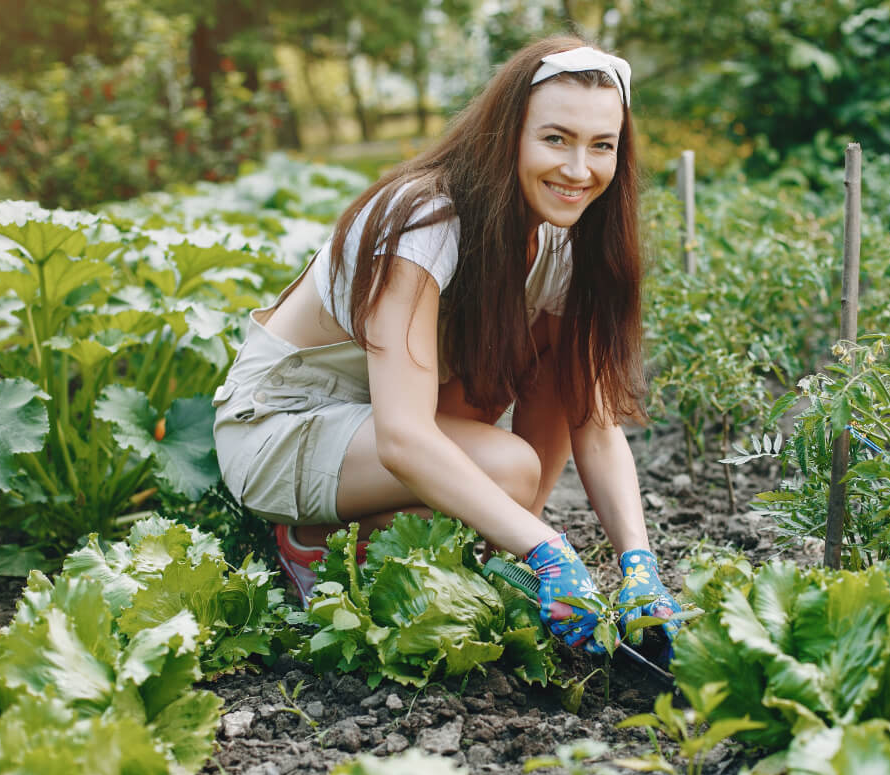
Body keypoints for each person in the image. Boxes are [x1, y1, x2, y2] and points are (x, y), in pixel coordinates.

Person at [212, 36, 680, 656]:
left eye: (602, 146)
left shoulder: (560, 244)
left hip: (370, 426)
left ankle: (504, 549)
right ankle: (313, 543)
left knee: (557, 362)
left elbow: (593, 424)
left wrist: (640, 565)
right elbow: (404, 437)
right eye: (555, 139)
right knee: (510, 468)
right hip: (283, 427)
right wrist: (549, 548)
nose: (578, 169)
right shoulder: (424, 220)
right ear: (508, 134)